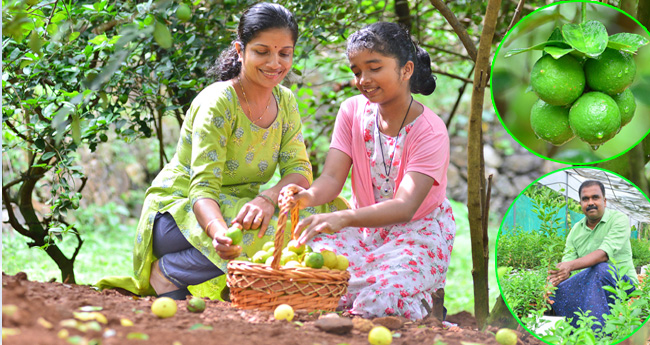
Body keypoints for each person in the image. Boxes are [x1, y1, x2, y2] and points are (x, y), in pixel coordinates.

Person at [96, 2, 346, 300]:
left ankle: (206, 277)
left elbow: (300, 171)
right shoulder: (218, 102)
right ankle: (169, 272)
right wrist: (218, 234)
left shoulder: (286, 101)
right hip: (179, 214)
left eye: (284, 53)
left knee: (325, 211)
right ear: (240, 50)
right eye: (262, 51)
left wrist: (267, 200)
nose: (274, 63)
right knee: (255, 227)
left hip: (236, 207)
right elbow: (202, 189)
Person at [282, 22, 456, 320]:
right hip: (363, 233)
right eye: (356, 71)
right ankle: (394, 295)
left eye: (374, 68)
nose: (363, 79)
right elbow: (333, 178)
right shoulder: (352, 111)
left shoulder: (431, 131)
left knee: (377, 299)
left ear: (406, 70)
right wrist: (306, 197)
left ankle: (426, 304)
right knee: (310, 269)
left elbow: (405, 206)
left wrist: (343, 217)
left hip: (417, 235)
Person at [549, 180, 638, 331]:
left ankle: (597, 335)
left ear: (604, 201)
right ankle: (577, 330)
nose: (590, 202)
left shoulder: (619, 219)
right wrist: (553, 280)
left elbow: (604, 254)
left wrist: (569, 266)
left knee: (601, 268)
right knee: (556, 292)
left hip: (622, 285)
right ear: (580, 203)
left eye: (595, 197)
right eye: (585, 199)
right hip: (589, 284)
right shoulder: (576, 230)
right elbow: (567, 263)